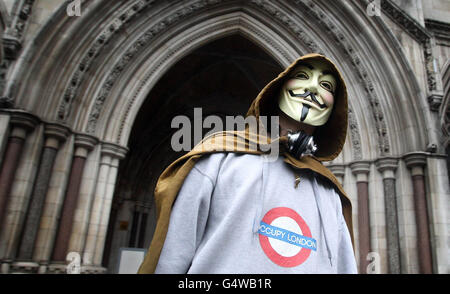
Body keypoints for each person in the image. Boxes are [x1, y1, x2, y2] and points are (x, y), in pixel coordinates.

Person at [138, 53, 357, 274]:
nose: (312, 88)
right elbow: (171, 258)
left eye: (326, 85)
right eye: (302, 76)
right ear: (278, 88)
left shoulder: (329, 193)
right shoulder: (217, 160)